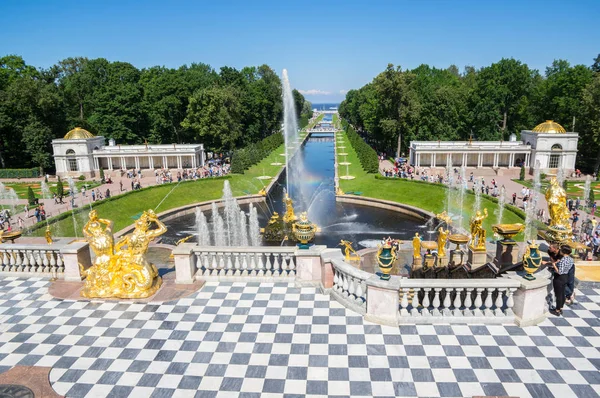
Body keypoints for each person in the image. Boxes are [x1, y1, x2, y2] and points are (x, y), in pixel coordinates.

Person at [550, 245, 574, 316]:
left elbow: (559, 271)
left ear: (563, 251)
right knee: (562, 293)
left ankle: (557, 310)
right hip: (565, 277)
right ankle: (560, 308)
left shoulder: (563, 259)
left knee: (558, 295)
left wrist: (553, 264)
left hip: (559, 278)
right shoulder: (570, 259)